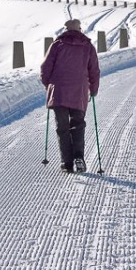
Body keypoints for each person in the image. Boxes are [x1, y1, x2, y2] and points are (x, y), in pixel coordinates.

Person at [40, 19, 100, 173]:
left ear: (65, 30)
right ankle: (78, 156)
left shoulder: (57, 45)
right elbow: (94, 71)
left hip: (59, 91)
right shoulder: (88, 46)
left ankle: (66, 163)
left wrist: (49, 85)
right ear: (79, 29)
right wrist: (93, 89)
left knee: (62, 127)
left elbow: (45, 68)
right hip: (79, 91)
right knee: (78, 124)